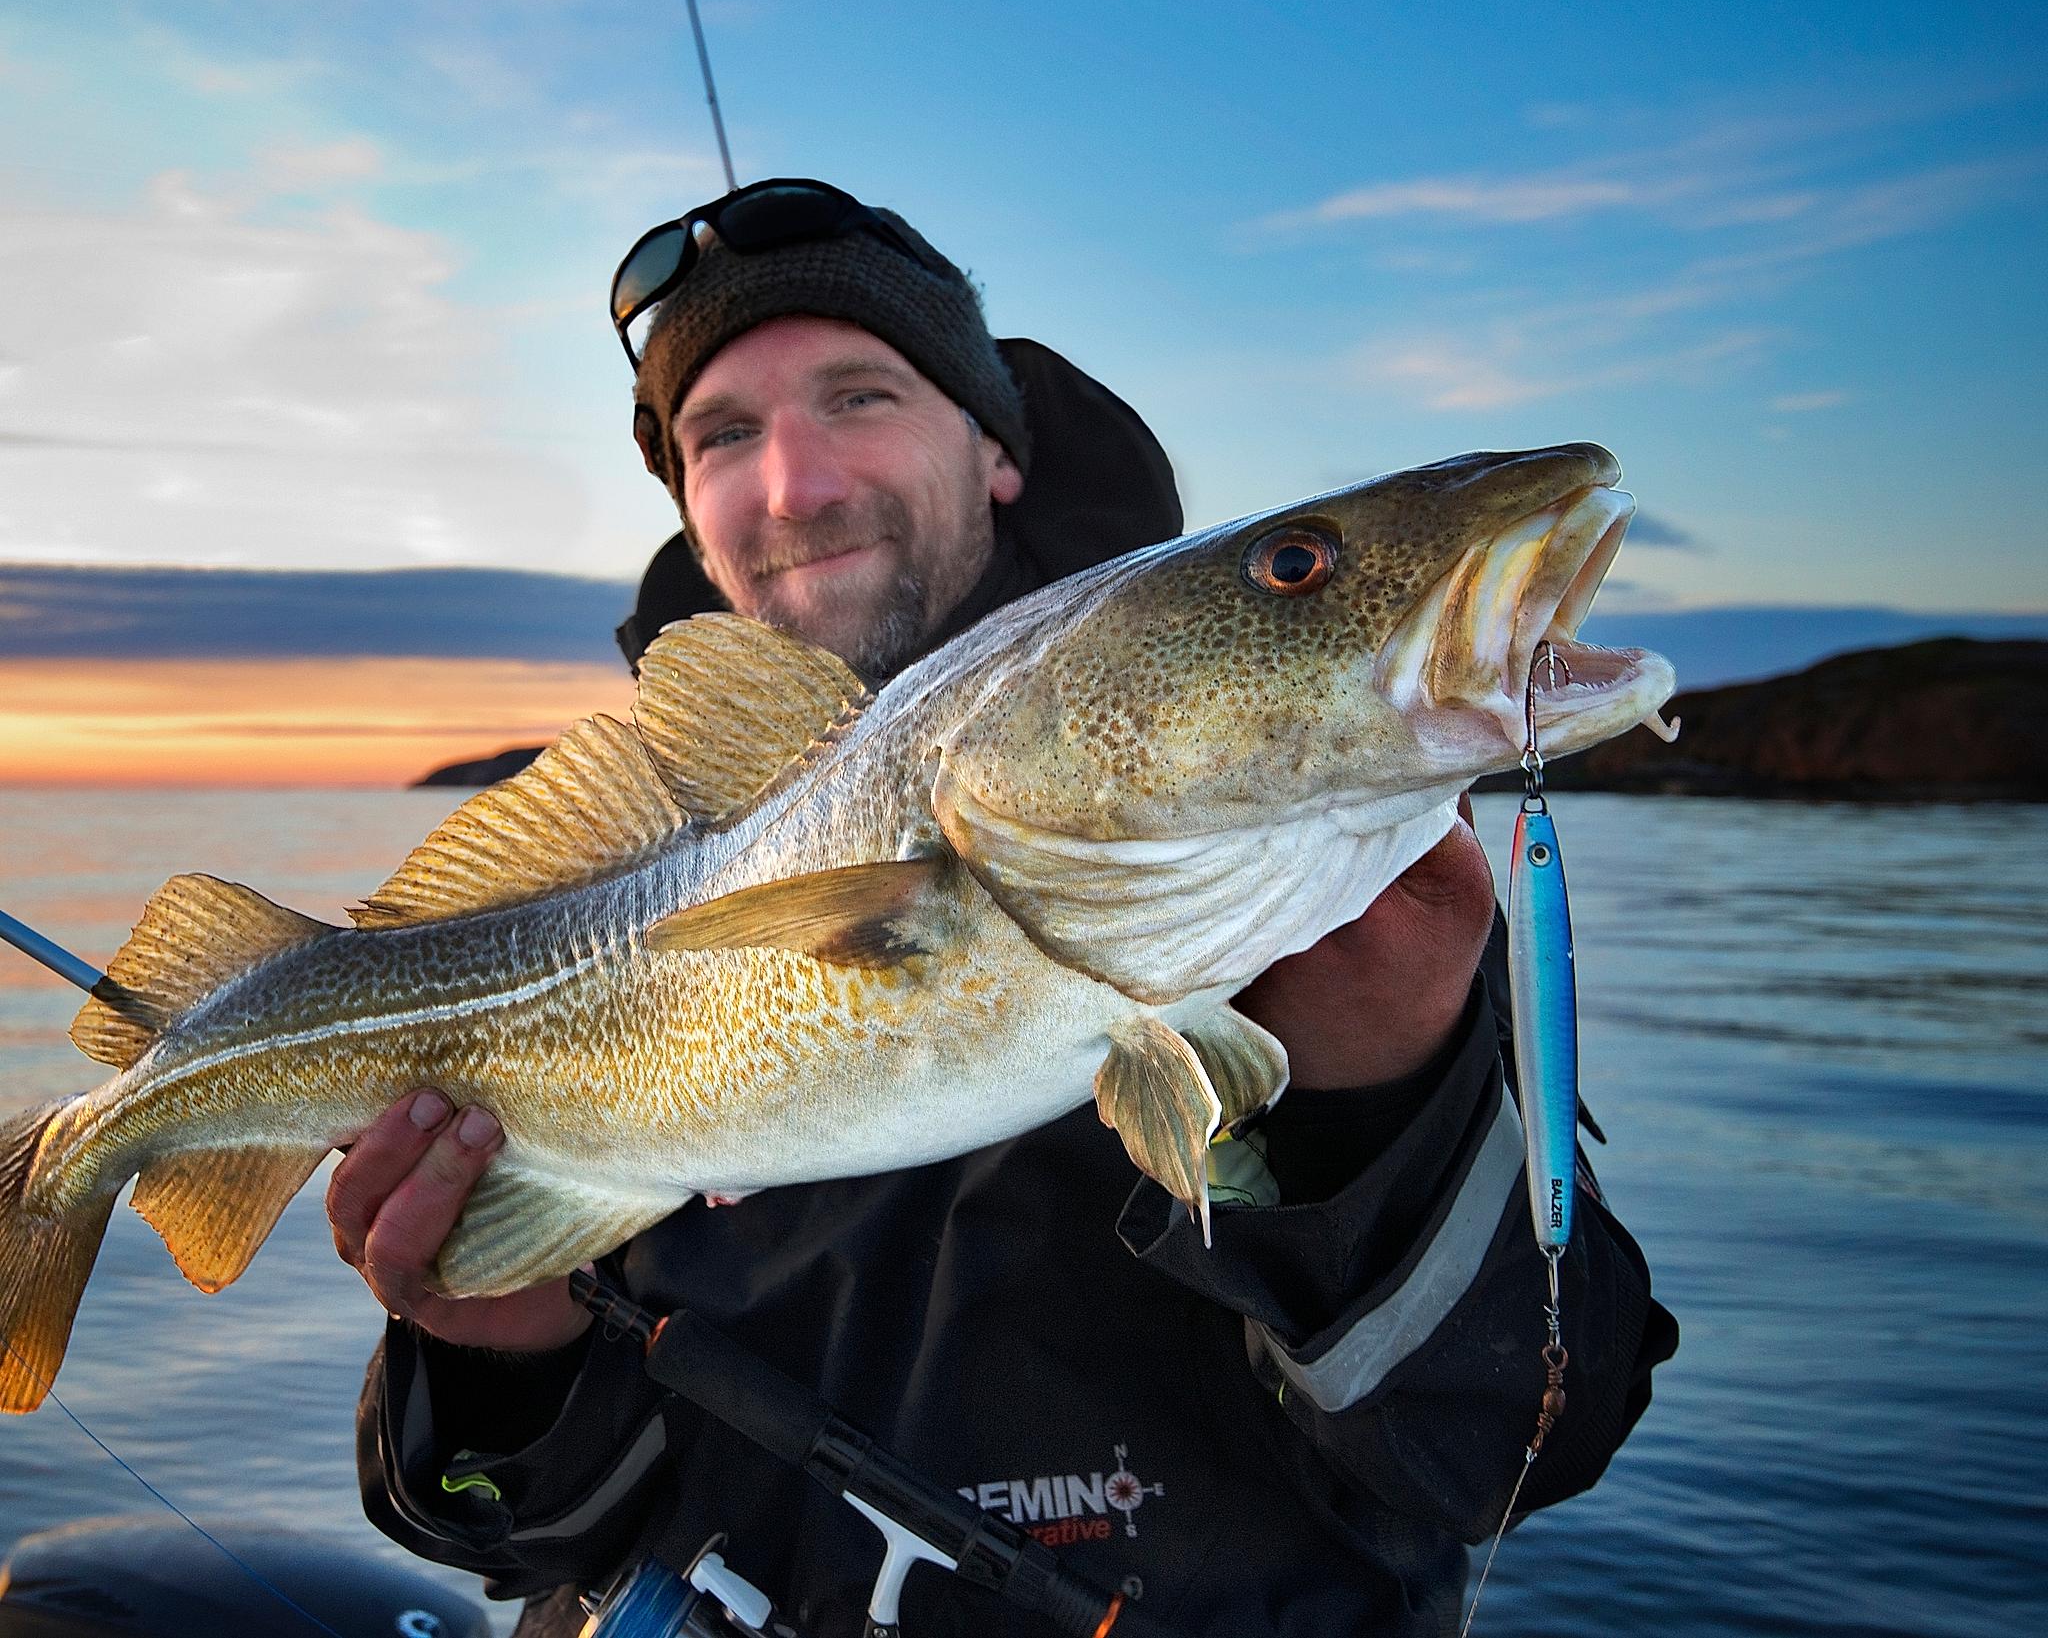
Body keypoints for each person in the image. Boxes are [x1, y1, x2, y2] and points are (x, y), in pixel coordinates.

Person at [335, 179, 1677, 1637]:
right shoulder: (603, 886)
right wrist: (492, 1351)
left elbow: (1523, 1442)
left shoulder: (1338, 867)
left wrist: (1380, 1112)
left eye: (860, 395)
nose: (796, 483)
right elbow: (506, 1530)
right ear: (689, 511)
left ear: (996, 453)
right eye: (724, 435)